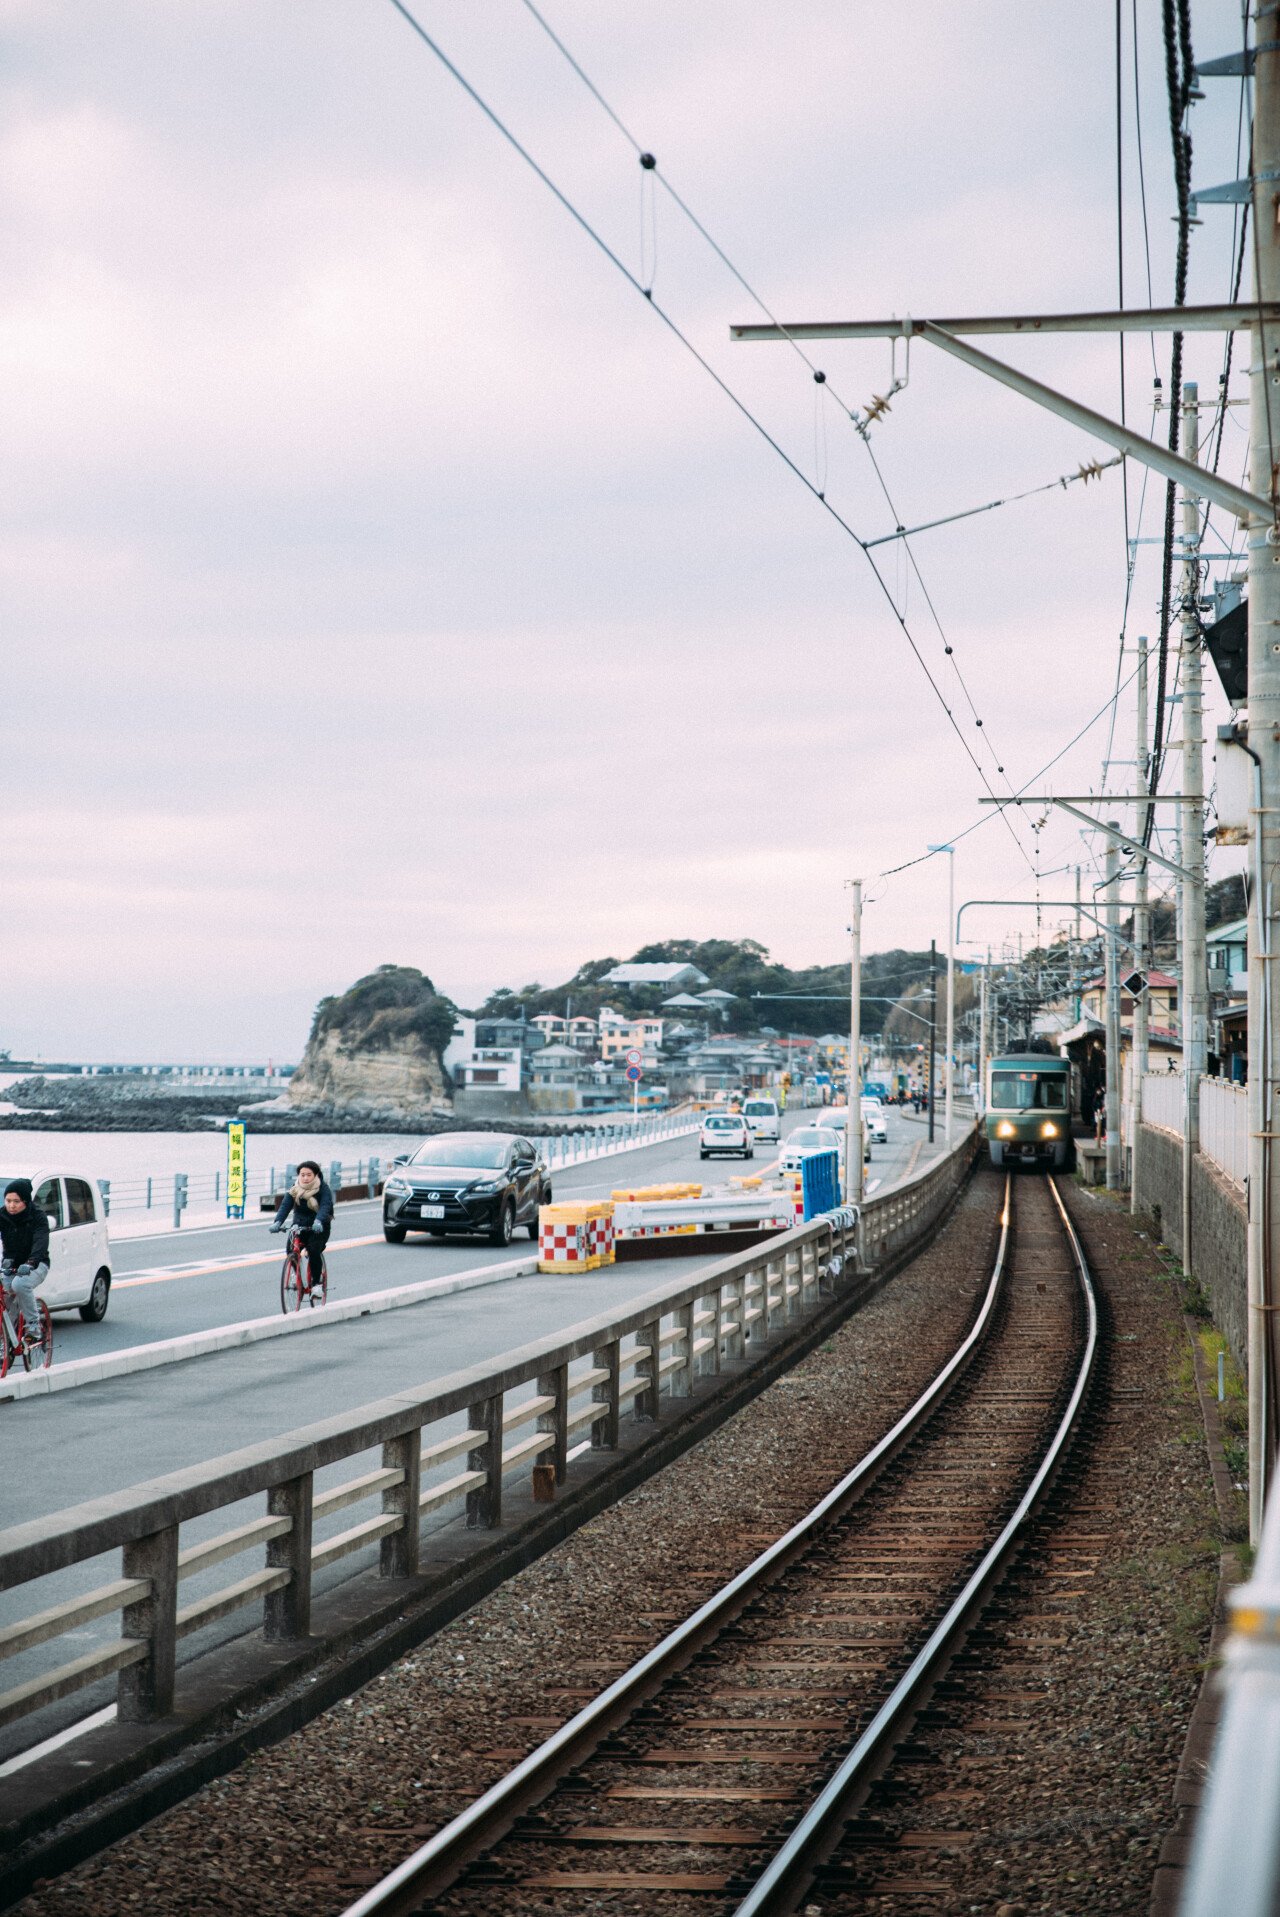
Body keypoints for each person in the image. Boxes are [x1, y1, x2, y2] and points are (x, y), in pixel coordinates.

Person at [0, 1178, 50, 1351]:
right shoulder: (2, 1216)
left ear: (26, 1201)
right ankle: (7, 1337)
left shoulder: (37, 1217)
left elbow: (41, 1242)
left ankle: (34, 1326)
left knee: (19, 1284)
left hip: (37, 1264)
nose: (11, 1205)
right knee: (5, 1290)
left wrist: (31, 1262)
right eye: (8, 1201)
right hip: (11, 1265)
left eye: (16, 1201)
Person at [270, 1161, 334, 1288]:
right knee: (290, 1250)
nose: (305, 1178)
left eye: (309, 1175)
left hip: (319, 1227)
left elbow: (325, 1207)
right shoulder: (295, 1188)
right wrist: (277, 1222)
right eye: (302, 1175)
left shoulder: (323, 1189)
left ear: (316, 1175)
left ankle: (316, 1283)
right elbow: (285, 1205)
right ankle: (296, 1275)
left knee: (314, 1250)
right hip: (299, 1225)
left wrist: (319, 1220)